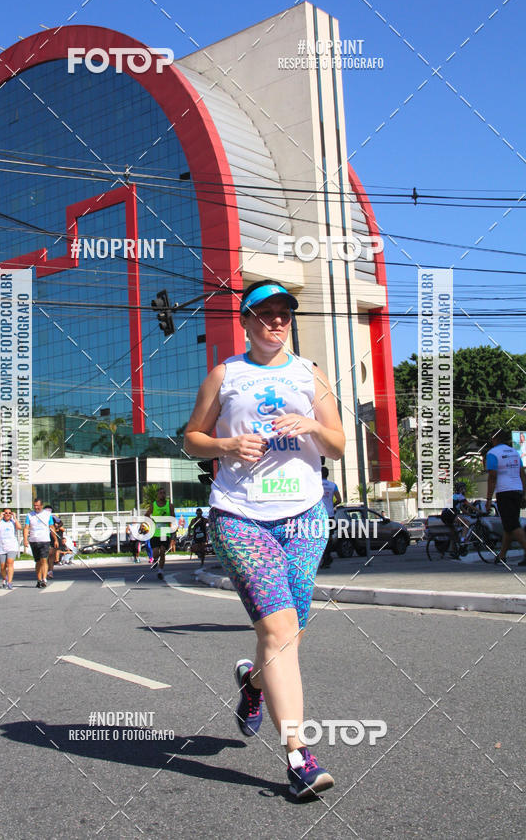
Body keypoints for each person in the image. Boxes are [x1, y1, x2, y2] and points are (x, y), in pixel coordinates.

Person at [184, 279, 345, 799]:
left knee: (288, 636)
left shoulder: (310, 374)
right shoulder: (225, 374)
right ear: (246, 320)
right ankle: (299, 757)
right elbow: (192, 438)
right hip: (240, 515)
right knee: (279, 630)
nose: (276, 321)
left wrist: (312, 427)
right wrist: (225, 444)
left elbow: (339, 445)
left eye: (284, 314)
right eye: (265, 313)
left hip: (303, 515)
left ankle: (253, 685)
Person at [485, 436, 526, 565]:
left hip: (504, 491)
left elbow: (492, 477)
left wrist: (488, 499)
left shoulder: (492, 453)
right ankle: (502, 555)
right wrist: (524, 493)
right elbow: (522, 473)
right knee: (509, 526)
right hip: (517, 490)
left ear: (494, 440)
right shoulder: (514, 452)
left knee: (513, 525)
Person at [23, 498, 56, 587]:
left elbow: (51, 527)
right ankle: (39, 579)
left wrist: (55, 539)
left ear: (42, 506)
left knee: (44, 560)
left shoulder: (47, 514)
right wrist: (25, 539)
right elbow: (26, 528)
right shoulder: (29, 515)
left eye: (38, 505)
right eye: (35, 505)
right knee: (38, 561)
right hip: (34, 540)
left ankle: (44, 579)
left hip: (44, 540)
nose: (36, 507)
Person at [145, 487, 175, 580]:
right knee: (155, 553)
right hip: (155, 532)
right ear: (158, 495)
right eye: (160, 493)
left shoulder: (169, 505)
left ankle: (160, 571)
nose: (162, 494)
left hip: (165, 532)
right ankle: (154, 560)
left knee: (162, 551)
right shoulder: (153, 505)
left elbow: (173, 517)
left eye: (163, 493)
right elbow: (146, 515)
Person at [0, 508, 22, 589]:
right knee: (2, 566)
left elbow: (19, 527)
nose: (8, 514)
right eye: (6, 513)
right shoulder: (0, 522)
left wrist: (15, 518)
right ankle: (5, 579)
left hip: (12, 546)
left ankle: (10, 582)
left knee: (10, 563)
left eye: (9, 513)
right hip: (2, 547)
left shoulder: (13, 522)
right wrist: (0, 517)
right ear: (3, 513)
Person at [320, 465, 342, 567]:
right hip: (330, 515)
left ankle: (325, 557)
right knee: (329, 537)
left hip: (319, 515)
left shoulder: (316, 484)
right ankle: (327, 556)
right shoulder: (333, 485)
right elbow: (339, 500)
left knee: (319, 537)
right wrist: (331, 505)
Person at [43, 506, 63, 579]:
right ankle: (45, 571)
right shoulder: (40, 517)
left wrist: (56, 528)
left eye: (49, 511)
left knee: (51, 555)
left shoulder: (53, 517)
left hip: (52, 537)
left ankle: (50, 571)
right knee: (45, 557)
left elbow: (61, 523)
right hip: (43, 538)